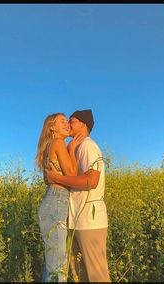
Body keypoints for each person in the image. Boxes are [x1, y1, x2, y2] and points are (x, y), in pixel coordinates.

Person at [46, 109, 111, 282]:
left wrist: (57, 178)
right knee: (79, 276)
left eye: (72, 120)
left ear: (83, 124)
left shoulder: (88, 146)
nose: (68, 123)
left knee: (97, 276)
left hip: (90, 221)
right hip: (77, 221)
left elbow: (91, 181)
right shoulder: (76, 148)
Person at [35, 113, 83, 282]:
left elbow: (47, 179)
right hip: (56, 202)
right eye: (61, 121)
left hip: (52, 200)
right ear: (52, 127)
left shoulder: (48, 146)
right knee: (57, 267)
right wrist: (71, 149)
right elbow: (71, 174)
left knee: (53, 264)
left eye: (67, 121)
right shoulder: (58, 142)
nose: (66, 124)